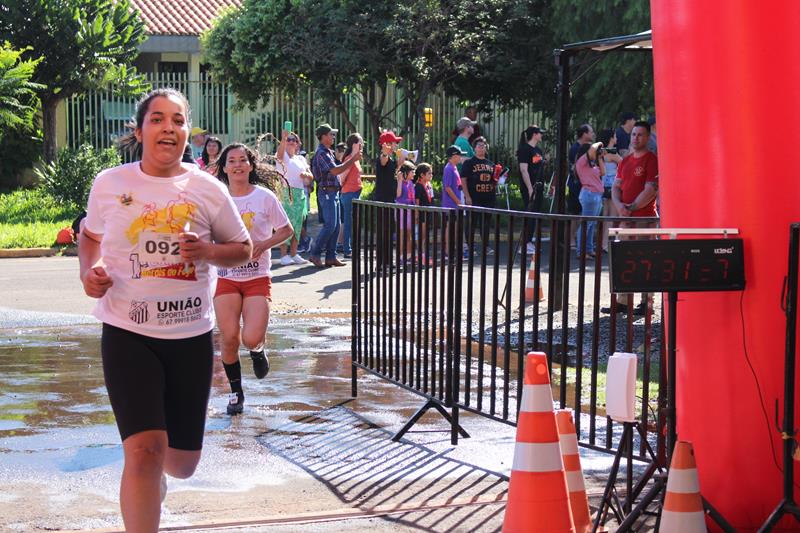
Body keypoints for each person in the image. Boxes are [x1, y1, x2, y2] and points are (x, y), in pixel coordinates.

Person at [79, 88, 252, 531]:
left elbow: (242, 248)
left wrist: (209, 251)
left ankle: (158, 479)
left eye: (177, 120)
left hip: (190, 337)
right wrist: (89, 272)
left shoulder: (206, 188)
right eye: (157, 119)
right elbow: (90, 236)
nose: (168, 128)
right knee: (143, 451)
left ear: (187, 132)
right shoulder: (111, 184)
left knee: (180, 463)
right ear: (140, 131)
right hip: (126, 331)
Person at [213, 143, 293, 415]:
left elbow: (286, 230)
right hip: (226, 276)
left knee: (250, 337)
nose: (237, 165)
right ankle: (236, 393)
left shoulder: (264, 197)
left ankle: (258, 350)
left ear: (250, 165)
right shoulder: (217, 198)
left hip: (257, 276)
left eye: (242, 160)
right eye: (231, 161)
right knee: (229, 338)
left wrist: (264, 243)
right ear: (224, 167)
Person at [604, 120, 659, 315]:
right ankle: (623, 301)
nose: (636, 138)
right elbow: (616, 186)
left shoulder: (651, 160)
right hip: (626, 219)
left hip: (645, 218)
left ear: (647, 137)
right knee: (625, 259)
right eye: (634, 134)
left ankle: (647, 302)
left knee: (645, 260)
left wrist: (631, 207)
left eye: (640, 135)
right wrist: (620, 206)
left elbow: (651, 190)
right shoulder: (625, 160)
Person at [309, 123, 361, 268]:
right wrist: (353, 159)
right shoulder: (322, 153)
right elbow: (335, 171)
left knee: (336, 226)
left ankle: (331, 257)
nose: (333, 137)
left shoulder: (327, 152)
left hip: (333, 192)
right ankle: (315, 253)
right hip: (327, 192)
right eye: (331, 134)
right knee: (330, 225)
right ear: (323, 136)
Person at [276, 129, 311, 265]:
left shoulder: (301, 158)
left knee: (297, 224)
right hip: (286, 193)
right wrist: (283, 139)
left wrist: (307, 176)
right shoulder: (282, 156)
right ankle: (284, 255)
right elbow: (279, 156)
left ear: (298, 144)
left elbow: (310, 175)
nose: (290, 142)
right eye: (288, 140)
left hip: (300, 194)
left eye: (293, 140)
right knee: (285, 224)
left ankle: (294, 253)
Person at [462, 136, 497, 256]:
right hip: (474, 197)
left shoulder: (491, 164)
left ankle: (486, 246)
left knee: (486, 223)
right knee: (472, 222)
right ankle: (470, 247)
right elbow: (463, 180)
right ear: (474, 148)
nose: (481, 148)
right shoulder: (469, 163)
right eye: (479, 146)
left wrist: (500, 177)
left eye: (483, 146)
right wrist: (467, 196)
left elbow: (495, 180)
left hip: (488, 198)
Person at [517, 125, 547, 253]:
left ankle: (529, 240)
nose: (541, 135)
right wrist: (530, 188)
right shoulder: (524, 150)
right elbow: (524, 170)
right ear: (534, 134)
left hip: (539, 186)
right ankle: (525, 242)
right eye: (540, 133)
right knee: (530, 212)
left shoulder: (538, 150)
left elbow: (537, 166)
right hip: (530, 187)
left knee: (535, 213)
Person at [574, 142, 606, 258]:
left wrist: (599, 157)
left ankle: (588, 249)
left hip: (596, 195)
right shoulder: (581, 162)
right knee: (586, 224)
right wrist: (600, 143)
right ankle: (581, 252)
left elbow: (603, 172)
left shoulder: (591, 164)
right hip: (590, 195)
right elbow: (593, 148)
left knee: (591, 224)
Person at [597, 128, 623, 252]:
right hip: (612, 186)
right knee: (612, 215)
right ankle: (606, 244)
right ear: (611, 138)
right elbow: (625, 164)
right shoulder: (612, 154)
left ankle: (603, 243)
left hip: (602, 186)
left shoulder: (600, 152)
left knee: (606, 215)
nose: (616, 138)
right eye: (615, 136)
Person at [339, 133, 364, 259]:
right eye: (360, 142)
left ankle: (350, 247)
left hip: (355, 193)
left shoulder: (356, 158)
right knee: (349, 222)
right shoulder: (350, 158)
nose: (362, 144)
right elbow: (342, 176)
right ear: (354, 144)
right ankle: (347, 249)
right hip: (349, 193)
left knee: (353, 222)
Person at [373, 130, 405, 203]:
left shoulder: (391, 160)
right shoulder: (383, 157)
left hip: (390, 199)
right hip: (382, 201)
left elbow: (392, 173)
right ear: (388, 144)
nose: (397, 145)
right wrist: (384, 153)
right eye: (395, 142)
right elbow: (383, 161)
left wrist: (400, 163)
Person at [395, 160, 416, 263]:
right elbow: (398, 195)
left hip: (410, 210)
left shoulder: (411, 183)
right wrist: (399, 180)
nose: (414, 174)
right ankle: (400, 256)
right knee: (402, 234)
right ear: (406, 172)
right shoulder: (401, 182)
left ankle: (408, 255)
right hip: (401, 210)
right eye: (412, 172)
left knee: (409, 234)